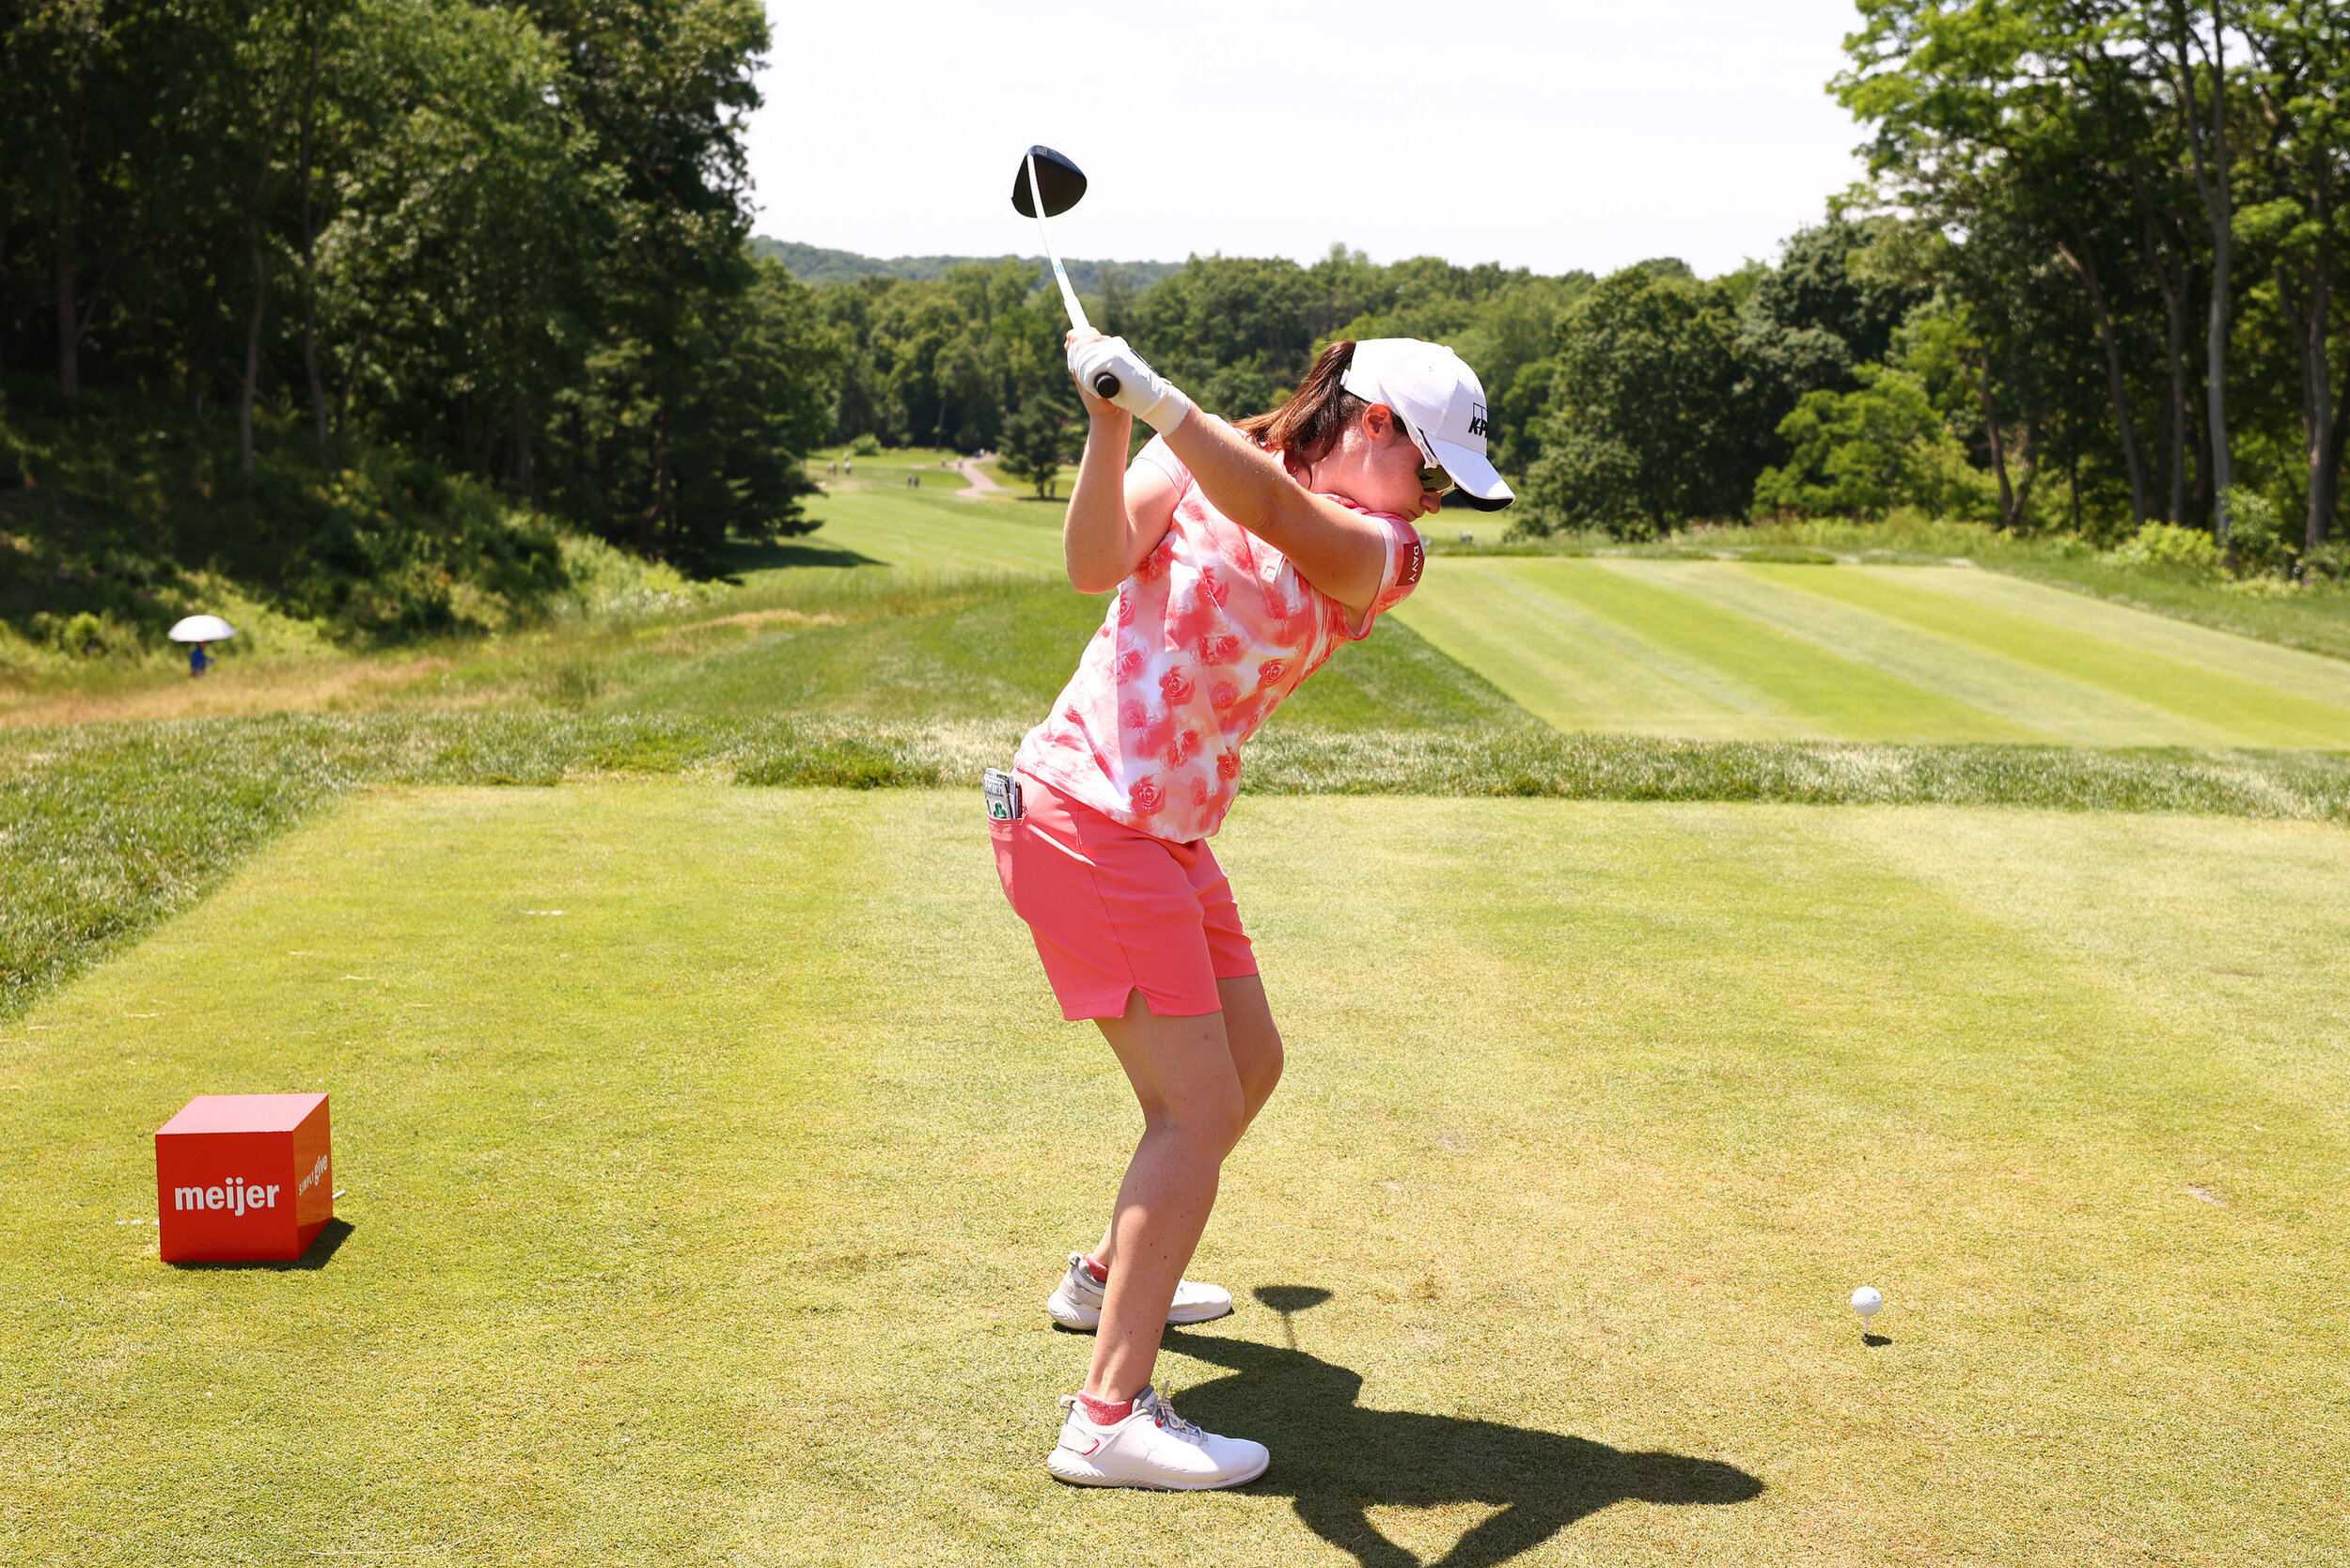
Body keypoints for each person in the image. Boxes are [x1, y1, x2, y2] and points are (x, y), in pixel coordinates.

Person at [989, 333, 1512, 1490]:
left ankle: (1103, 1279)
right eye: (1431, 472)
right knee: (1195, 1106)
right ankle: (1107, 1418)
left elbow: (1277, 516)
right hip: (1083, 811)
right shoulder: (1190, 455)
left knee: (1249, 1062)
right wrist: (1111, 422)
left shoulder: (1384, 550)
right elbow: (1091, 564)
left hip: (1166, 830)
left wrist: (1162, 403)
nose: (1433, 504)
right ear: (1373, 422)